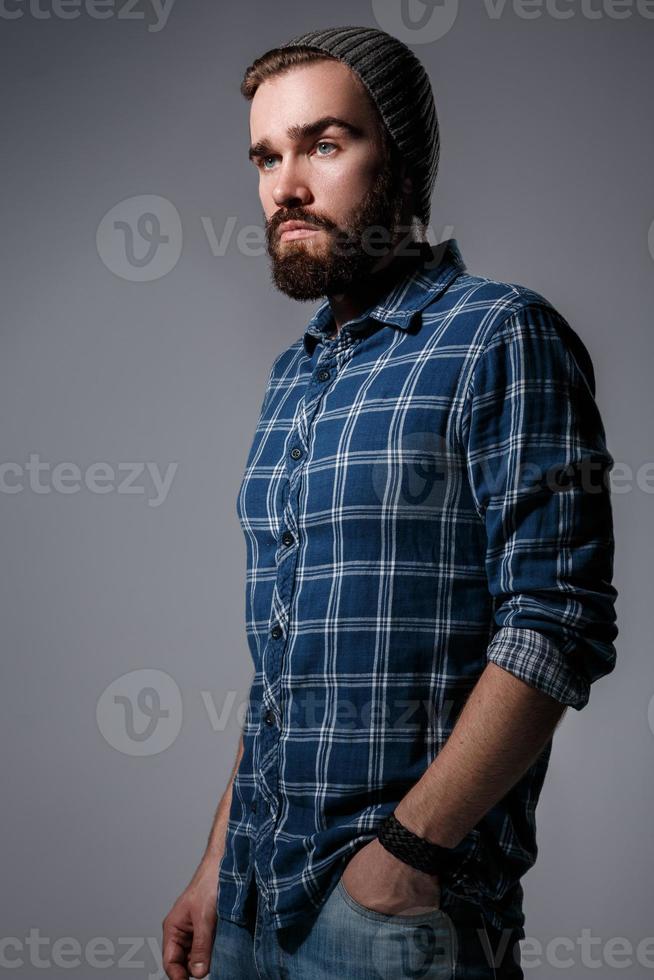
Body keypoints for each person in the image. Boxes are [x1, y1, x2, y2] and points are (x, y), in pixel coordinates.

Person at [162, 25, 618, 980]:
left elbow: (557, 623)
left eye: (324, 144)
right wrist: (215, 864)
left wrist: (404, 861)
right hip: (252, 899)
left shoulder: (502, 335)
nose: (285, 184)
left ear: (401, 160)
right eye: (266, 155)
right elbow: (285, 664)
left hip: (392, 915)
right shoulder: (294, 376)